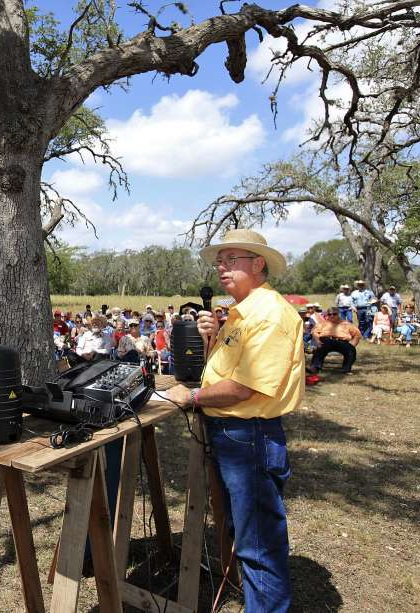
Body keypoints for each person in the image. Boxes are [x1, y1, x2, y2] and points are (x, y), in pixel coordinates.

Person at [168, 228, 300, 612]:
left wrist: (191, 396)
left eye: (231, 260)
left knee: (258, 543)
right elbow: (222, 371)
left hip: (250, 435)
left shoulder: (270, 314)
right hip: (232, 433)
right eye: (219, 262)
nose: (221, 269)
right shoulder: (241, 312)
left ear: (258, 264)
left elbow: (245, 388)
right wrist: (212, 338)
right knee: (242, 531)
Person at [309, 307, 361, 374]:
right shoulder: (322, 323)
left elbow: (357, 334)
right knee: (319, 349)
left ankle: (346, 369)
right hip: (326, 340)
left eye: (334, 314)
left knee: (351, 350)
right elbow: (314, 332)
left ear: (338, 314)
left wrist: (353, 344)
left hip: (342, 342)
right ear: (327, 315)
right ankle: (315, 367)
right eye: (330, 314)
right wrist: (318, 341)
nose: (332, 316)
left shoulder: (346, 324)